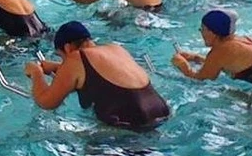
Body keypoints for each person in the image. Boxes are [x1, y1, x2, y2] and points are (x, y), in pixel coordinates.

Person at [25, 21, 170, 130]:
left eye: (61, 56)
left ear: (67, 48)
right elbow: (97, 78)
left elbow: (46, 102)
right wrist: (58, 67)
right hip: (159, 111)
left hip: (129, 121)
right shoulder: (115, 49)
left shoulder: (76, 57)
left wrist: (36, 73)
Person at [173, 10, 252, 90]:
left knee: (228, 95)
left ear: (213, 32)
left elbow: (201, 80)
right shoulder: (246, 40)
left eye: (202, 29)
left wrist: (183, 66)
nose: (201, 33)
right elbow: (230, 64)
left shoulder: (219, 51)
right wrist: (197, 58)